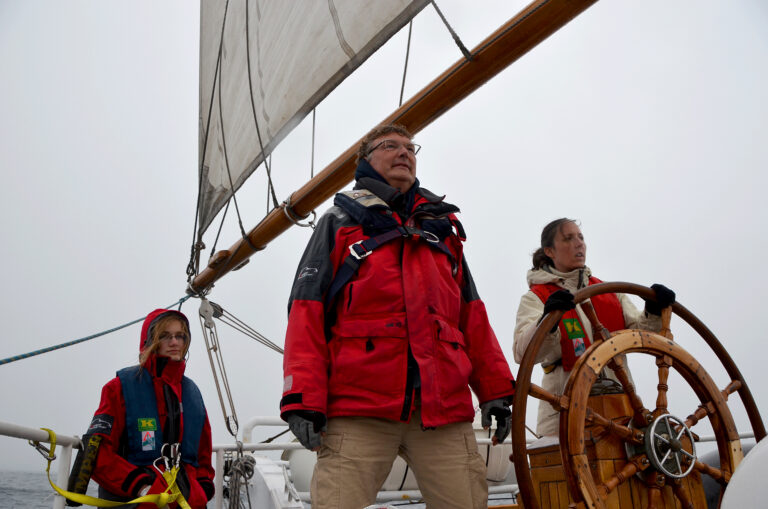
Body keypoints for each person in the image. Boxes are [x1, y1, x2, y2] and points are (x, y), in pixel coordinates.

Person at [280, 123, 516, 509]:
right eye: (390, 145)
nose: (404, 152)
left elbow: (471, 315)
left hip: (442, 410)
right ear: (366, 161)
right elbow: (306, 312)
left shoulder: (443, 231)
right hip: (359, 408)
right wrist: (302, 398)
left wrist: (494, 392)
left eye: (410, 147)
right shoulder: (338, 223)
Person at [513, 218, 675, 436]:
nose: (579, 243)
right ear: (550, 251)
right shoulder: (536, 299)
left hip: (620, 409)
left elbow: (645, 335)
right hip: (563, 409)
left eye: (580, 237)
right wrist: (545, 321)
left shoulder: (607, 292)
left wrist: (654, 310)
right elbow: (522, 352)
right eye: (568, 238)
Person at [83, 308, 215, 508]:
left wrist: (203, 489)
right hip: (135, 499)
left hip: (186, 499)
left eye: (180, 336)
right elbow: (98, 452)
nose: (174, 342)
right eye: (165, 336)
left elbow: (203, 455)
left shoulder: (192, 393)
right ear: (150, 341)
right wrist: (141, 486)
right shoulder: (119, 388)